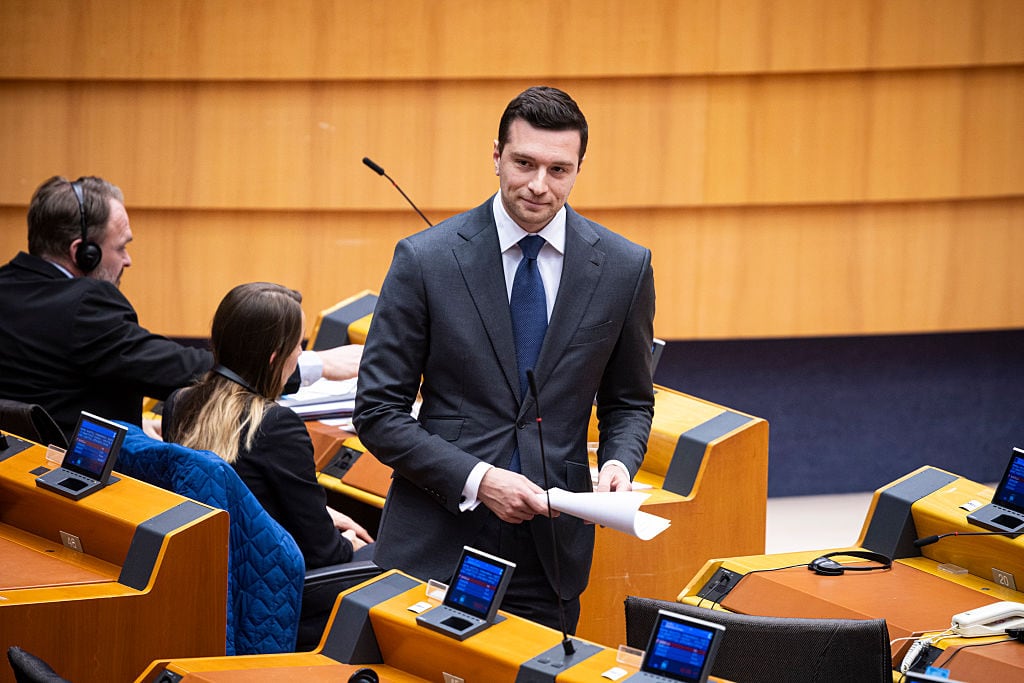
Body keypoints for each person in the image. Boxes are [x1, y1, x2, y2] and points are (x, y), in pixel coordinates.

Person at [353, 86, 655, 632]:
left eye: (559, 170)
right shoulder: (426, 259)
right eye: (524, 163)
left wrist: (617, 464)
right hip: (437, 538)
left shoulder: (623, 267)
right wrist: (479, 478)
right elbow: (378, 413)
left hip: (549, 552)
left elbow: (629, 402)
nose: (540, 186)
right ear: (495, 155)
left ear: (579, 168)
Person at [0, 175, 361, 438]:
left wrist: (140, 423)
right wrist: (315, 363)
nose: (127, 260)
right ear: (83, 252)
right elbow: (175, 369)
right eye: (121, 246)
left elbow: (51, 387)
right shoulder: (83, 305)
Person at [160, 282, 374, 647]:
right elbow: (324, 553)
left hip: (212, 580)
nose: (302, 353)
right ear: (276, 358)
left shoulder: (179, 403)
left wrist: (324, 514)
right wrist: (351, 542)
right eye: (299, 346)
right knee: (387, 558)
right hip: (269, 595)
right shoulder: (276, 424)